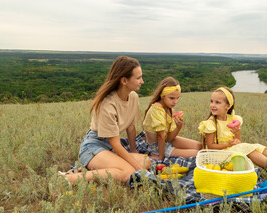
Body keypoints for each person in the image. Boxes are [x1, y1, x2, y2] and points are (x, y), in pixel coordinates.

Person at [60, 56, 151, 185]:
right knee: (128, 171)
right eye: (138, 78)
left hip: (110, 147)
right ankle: (70, 179)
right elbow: (116, 144)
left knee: (146, 161)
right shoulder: (107, 104)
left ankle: (96, 169)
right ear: (124, 80)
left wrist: (133, 152)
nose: (142, 81)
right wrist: (139, 170)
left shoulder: (134, 97)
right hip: (94, 146)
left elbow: (131, 127)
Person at [142, 77, 202, 160]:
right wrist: (161, 157)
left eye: (177, 98)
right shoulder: (157, 109)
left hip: (166, 141)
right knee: (198, 154)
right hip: (157, 147)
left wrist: (178, 127)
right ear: (162, 96)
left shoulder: (170, 110)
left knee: (200, 146)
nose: (175, 102)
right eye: (172, 98)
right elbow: (160, 136)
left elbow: (169, 138)